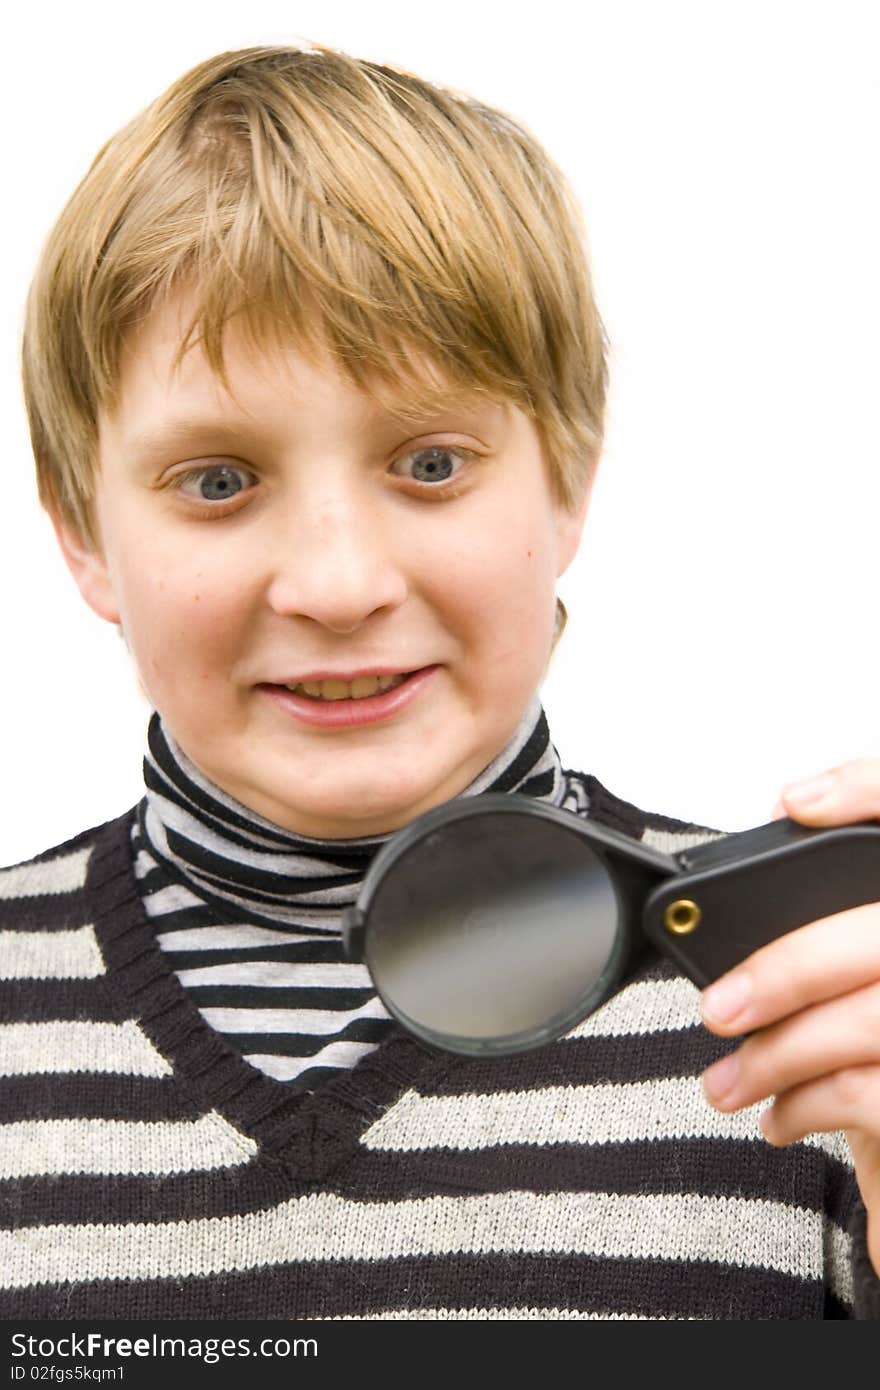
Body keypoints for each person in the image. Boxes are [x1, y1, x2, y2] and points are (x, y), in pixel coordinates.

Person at [2, 40, 879, 1321]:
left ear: (568, 484)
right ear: (84, 537)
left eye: (428, 465)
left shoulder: (815, 999)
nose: (338, 583)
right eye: (217, 482)